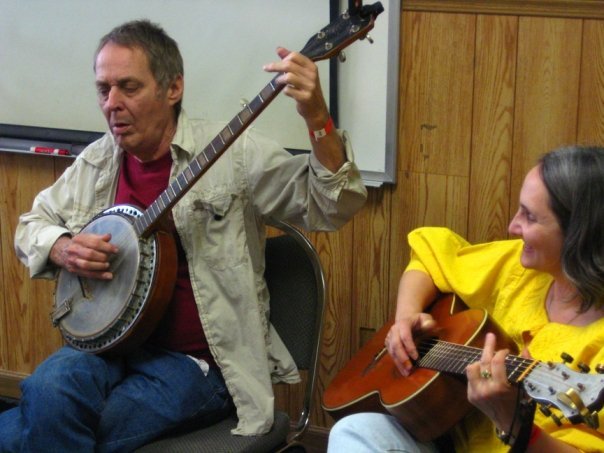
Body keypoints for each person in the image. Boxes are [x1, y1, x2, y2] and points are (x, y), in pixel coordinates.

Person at [0, 19, 367, 452]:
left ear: (173, 88)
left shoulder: (233, 153)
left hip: (199, 365)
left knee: (57, 427)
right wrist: (63, 248)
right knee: (47, 392)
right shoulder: (98, 161)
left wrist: (318, 119)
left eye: (129, 87)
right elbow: (31, 225)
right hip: (107, 348)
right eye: (103, 89)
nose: (112, 104)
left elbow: (331, 204)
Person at [327, 145, 604, 452]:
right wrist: (406, 318)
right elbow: (430, 257)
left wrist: (515, 423)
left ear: (577, 233)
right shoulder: (521, 267)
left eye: (529, 216)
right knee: (353, 431)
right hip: (448, 435)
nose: (513, 226)